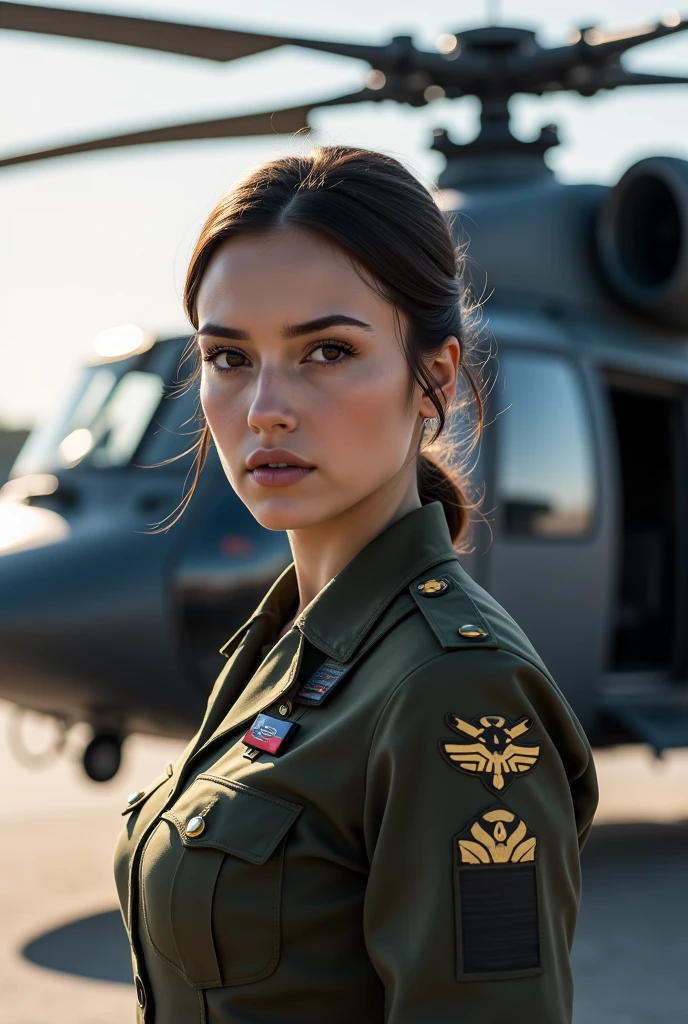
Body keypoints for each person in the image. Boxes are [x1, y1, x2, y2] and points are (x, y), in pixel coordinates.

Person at [114, 144, 598, 1024]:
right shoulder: (280, 650)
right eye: (228, 357)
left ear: (435, 378)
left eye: (327, 351)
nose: (264, 406)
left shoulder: (452, 688)